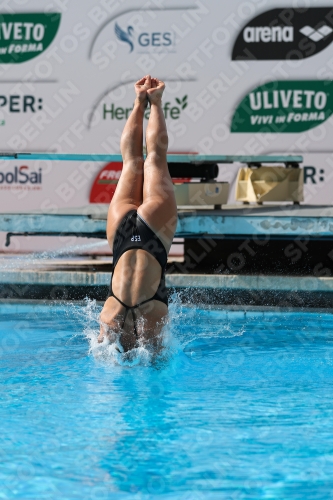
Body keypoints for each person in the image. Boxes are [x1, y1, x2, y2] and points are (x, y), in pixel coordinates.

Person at [98, 76, 178, 352]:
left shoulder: (151, 328)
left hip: (153, 233)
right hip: (121, 233)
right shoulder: (109, 320)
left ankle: (153, 101)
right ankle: (140, 101)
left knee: (154, 159)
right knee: (134, 161)